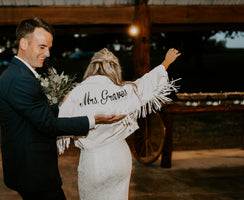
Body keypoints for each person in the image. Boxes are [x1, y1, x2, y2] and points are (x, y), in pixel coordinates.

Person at [0, 17, 125, 200]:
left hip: (27, 168)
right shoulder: (20, 79)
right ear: (24, 43)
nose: (47, 53)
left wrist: (62, 104)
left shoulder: (18, 73)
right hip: (33, 172)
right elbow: (48, 125)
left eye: (49, 47)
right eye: (42, 47)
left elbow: (36, 114)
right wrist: (94, 119)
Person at [57, 48, 181, 200]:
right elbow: (147, 83)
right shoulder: (125, 90)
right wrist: (166, 62)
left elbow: (59, 121)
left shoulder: (77, 93)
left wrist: (62, 101)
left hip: (94, 161)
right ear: (115, 68)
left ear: (92, 66)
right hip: (120, 157)